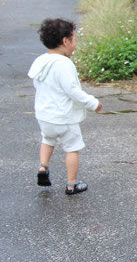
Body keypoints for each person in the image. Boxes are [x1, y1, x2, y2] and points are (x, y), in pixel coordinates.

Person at [28, 18, 102, 195]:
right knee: (72, 148)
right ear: (65, 41)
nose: (75, 44)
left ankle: (43, 167)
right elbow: (73, 91)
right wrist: (93, 103)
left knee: (47, 140)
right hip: (63, 117)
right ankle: (72, 184)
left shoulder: (41, 61)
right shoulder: (64, 64)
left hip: (44, 116)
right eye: (74, 39)